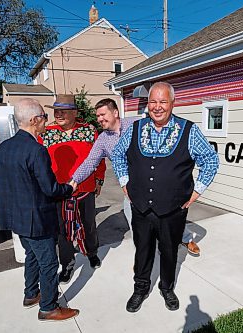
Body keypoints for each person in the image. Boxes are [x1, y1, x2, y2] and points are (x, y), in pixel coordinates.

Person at [111, 82, 219, 312]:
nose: (157, 107)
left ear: (172, 103)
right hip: (140, 205)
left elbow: (210, 160)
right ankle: (140, 289)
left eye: (163, 101)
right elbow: (118, 154)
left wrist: (196, 192)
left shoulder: (189, 130)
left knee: (169, 251)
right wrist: (124, 182)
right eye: (153, 101)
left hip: (173, 209)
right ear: (147, 103)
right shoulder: (134, 128)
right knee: (142, 250)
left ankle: (167, 288)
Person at [71, 98, 202, 256]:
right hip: (133, 187)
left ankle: (185, 238)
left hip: (158, 180)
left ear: (115, 113)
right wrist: (74, 180)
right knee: (134, 218)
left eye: (102, 114)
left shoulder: (137, 124)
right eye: (97, 116)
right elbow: (90, 162)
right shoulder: (103, 140)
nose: (99, 119)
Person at [0, 98, 79, 321]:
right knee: (48, 262)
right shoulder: (37, 150)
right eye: (44, 117)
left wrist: (6, 209)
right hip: (37, 220)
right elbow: (50, 189)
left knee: (32, 256)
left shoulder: (4, 148)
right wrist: (69, 188)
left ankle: (31, 294)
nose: (46, 121)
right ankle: (48, 307)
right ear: (34, 120)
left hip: (16, 220)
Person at [39, 94, 106, 284]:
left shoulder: (89, 131)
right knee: (63, 231)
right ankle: (67, 263)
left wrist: (99, 180)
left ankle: (92, 252)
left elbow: (99, 158)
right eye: (56, 111)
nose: (58, 114)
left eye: (63, 111)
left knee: (89, 225)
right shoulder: (46, 133)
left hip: (85, 188)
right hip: (58, 191)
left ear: (74, 112)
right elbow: (39, 162)